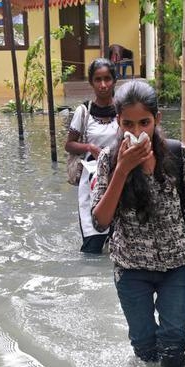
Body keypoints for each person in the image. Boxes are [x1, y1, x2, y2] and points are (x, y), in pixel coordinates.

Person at [91, 80, 185, 367]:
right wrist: (122, 169)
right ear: (118, 122)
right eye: (128, 124)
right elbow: (101, 220)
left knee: (173, 347)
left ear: (157, 119)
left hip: (176, 266)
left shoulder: (177, 155)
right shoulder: (108, 160)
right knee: (144, 347)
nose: (137, 132)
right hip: (130, 269)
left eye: (144, 122)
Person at [65, 58, 119, 253]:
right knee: (92, 242)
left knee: (118, 240)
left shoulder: (123, 110)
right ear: (91, 82)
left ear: (114, 81)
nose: (103, 85)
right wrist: (90, 147)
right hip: (90, 182)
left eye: (107, 79)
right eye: (98, 79)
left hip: (118, 178)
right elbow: (69, 145)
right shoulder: (84, 111)